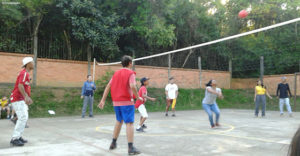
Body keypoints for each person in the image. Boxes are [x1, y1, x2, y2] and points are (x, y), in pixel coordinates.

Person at [98, 55, 143, 155]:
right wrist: (137, 96)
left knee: (119, 121)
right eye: (132, 62)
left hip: (116, 102)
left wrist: (103, 100)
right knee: (129, 123)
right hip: (126, 101)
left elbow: (108, 86)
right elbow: (132, 86)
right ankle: (130, 148)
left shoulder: (116, 73)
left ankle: (113, 143)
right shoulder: (131, 73)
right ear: (130, 63)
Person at [9, 57, 34, 146]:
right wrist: (26, 97)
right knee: (23, 117)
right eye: (32, 62)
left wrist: (26, 97)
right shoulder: (24, 73)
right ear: (28, 64)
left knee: (24, 117)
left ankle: (18, 136)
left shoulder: (26, 74)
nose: (33, 63)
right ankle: (15, 138)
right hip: (17, 98)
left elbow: (25, 86)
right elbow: (20, 86)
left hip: (20, 99)